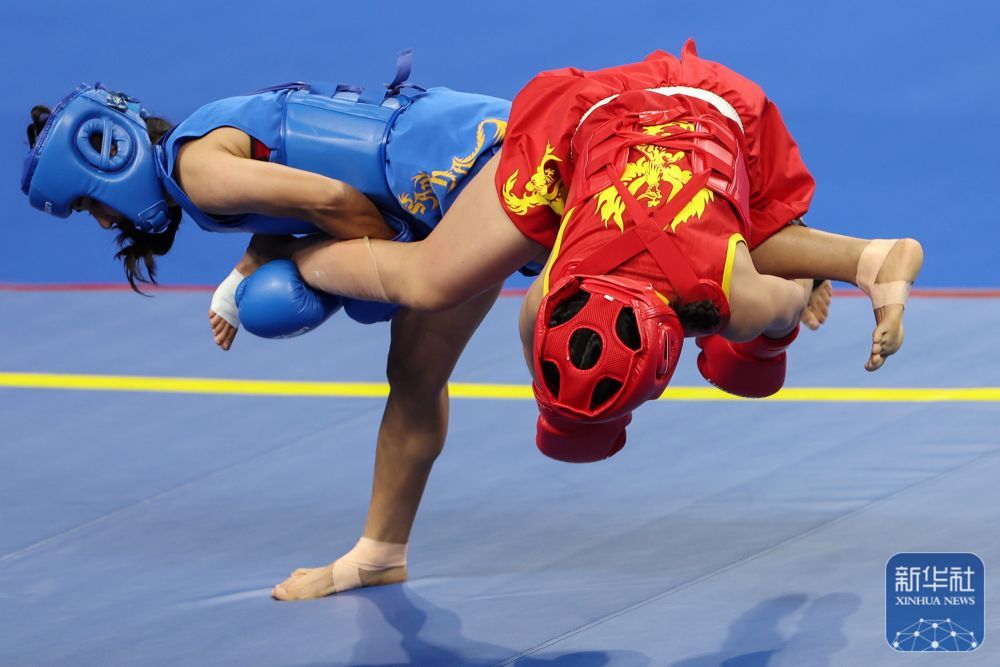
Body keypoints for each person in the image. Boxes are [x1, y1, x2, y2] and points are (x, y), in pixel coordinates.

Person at [254, 39, 924, 469]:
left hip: (694, 115)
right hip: (627, 114)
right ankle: (863, 259)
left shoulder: (732, 297)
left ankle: (865, 263)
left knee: (757, 360)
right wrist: (298, 259)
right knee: (427, 283)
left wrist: (798, 290)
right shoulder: (546, 304)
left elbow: (786, 300)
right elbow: (407, 281)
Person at [19, 55, 521, 600]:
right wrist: (249, 268)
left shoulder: (198, 174)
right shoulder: (197, 145)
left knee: (546, 323)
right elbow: (299, 186)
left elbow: (333, 200)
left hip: (463, 164)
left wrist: (379, 265)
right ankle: (378, 556)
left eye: (89, 203)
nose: (103, 221)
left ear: (109, 164)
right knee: (414, 376)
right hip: (449, 168)